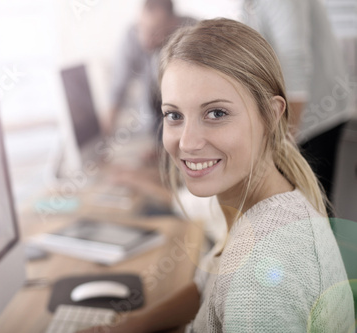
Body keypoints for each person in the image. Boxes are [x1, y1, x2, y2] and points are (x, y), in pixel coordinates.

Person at [79, 18, 354, 333]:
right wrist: (129, 326)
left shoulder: (262, 278)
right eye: (174, 115)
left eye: (216, 113)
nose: (187, 142)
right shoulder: (260, 200)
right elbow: (209, 286)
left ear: (272, 116)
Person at [242, 0, 353, 208]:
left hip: (316, 112)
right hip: (290, 111)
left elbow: (294, 60)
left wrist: (285, 140)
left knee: (310, 206)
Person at [106, 0, 198, 136]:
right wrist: (105, 139)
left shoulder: (194, 32)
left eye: (154, 32)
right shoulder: (132, 35)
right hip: (152, 119)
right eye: (142, 28)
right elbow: (117, 89)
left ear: (173, 23)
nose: (145, 39)